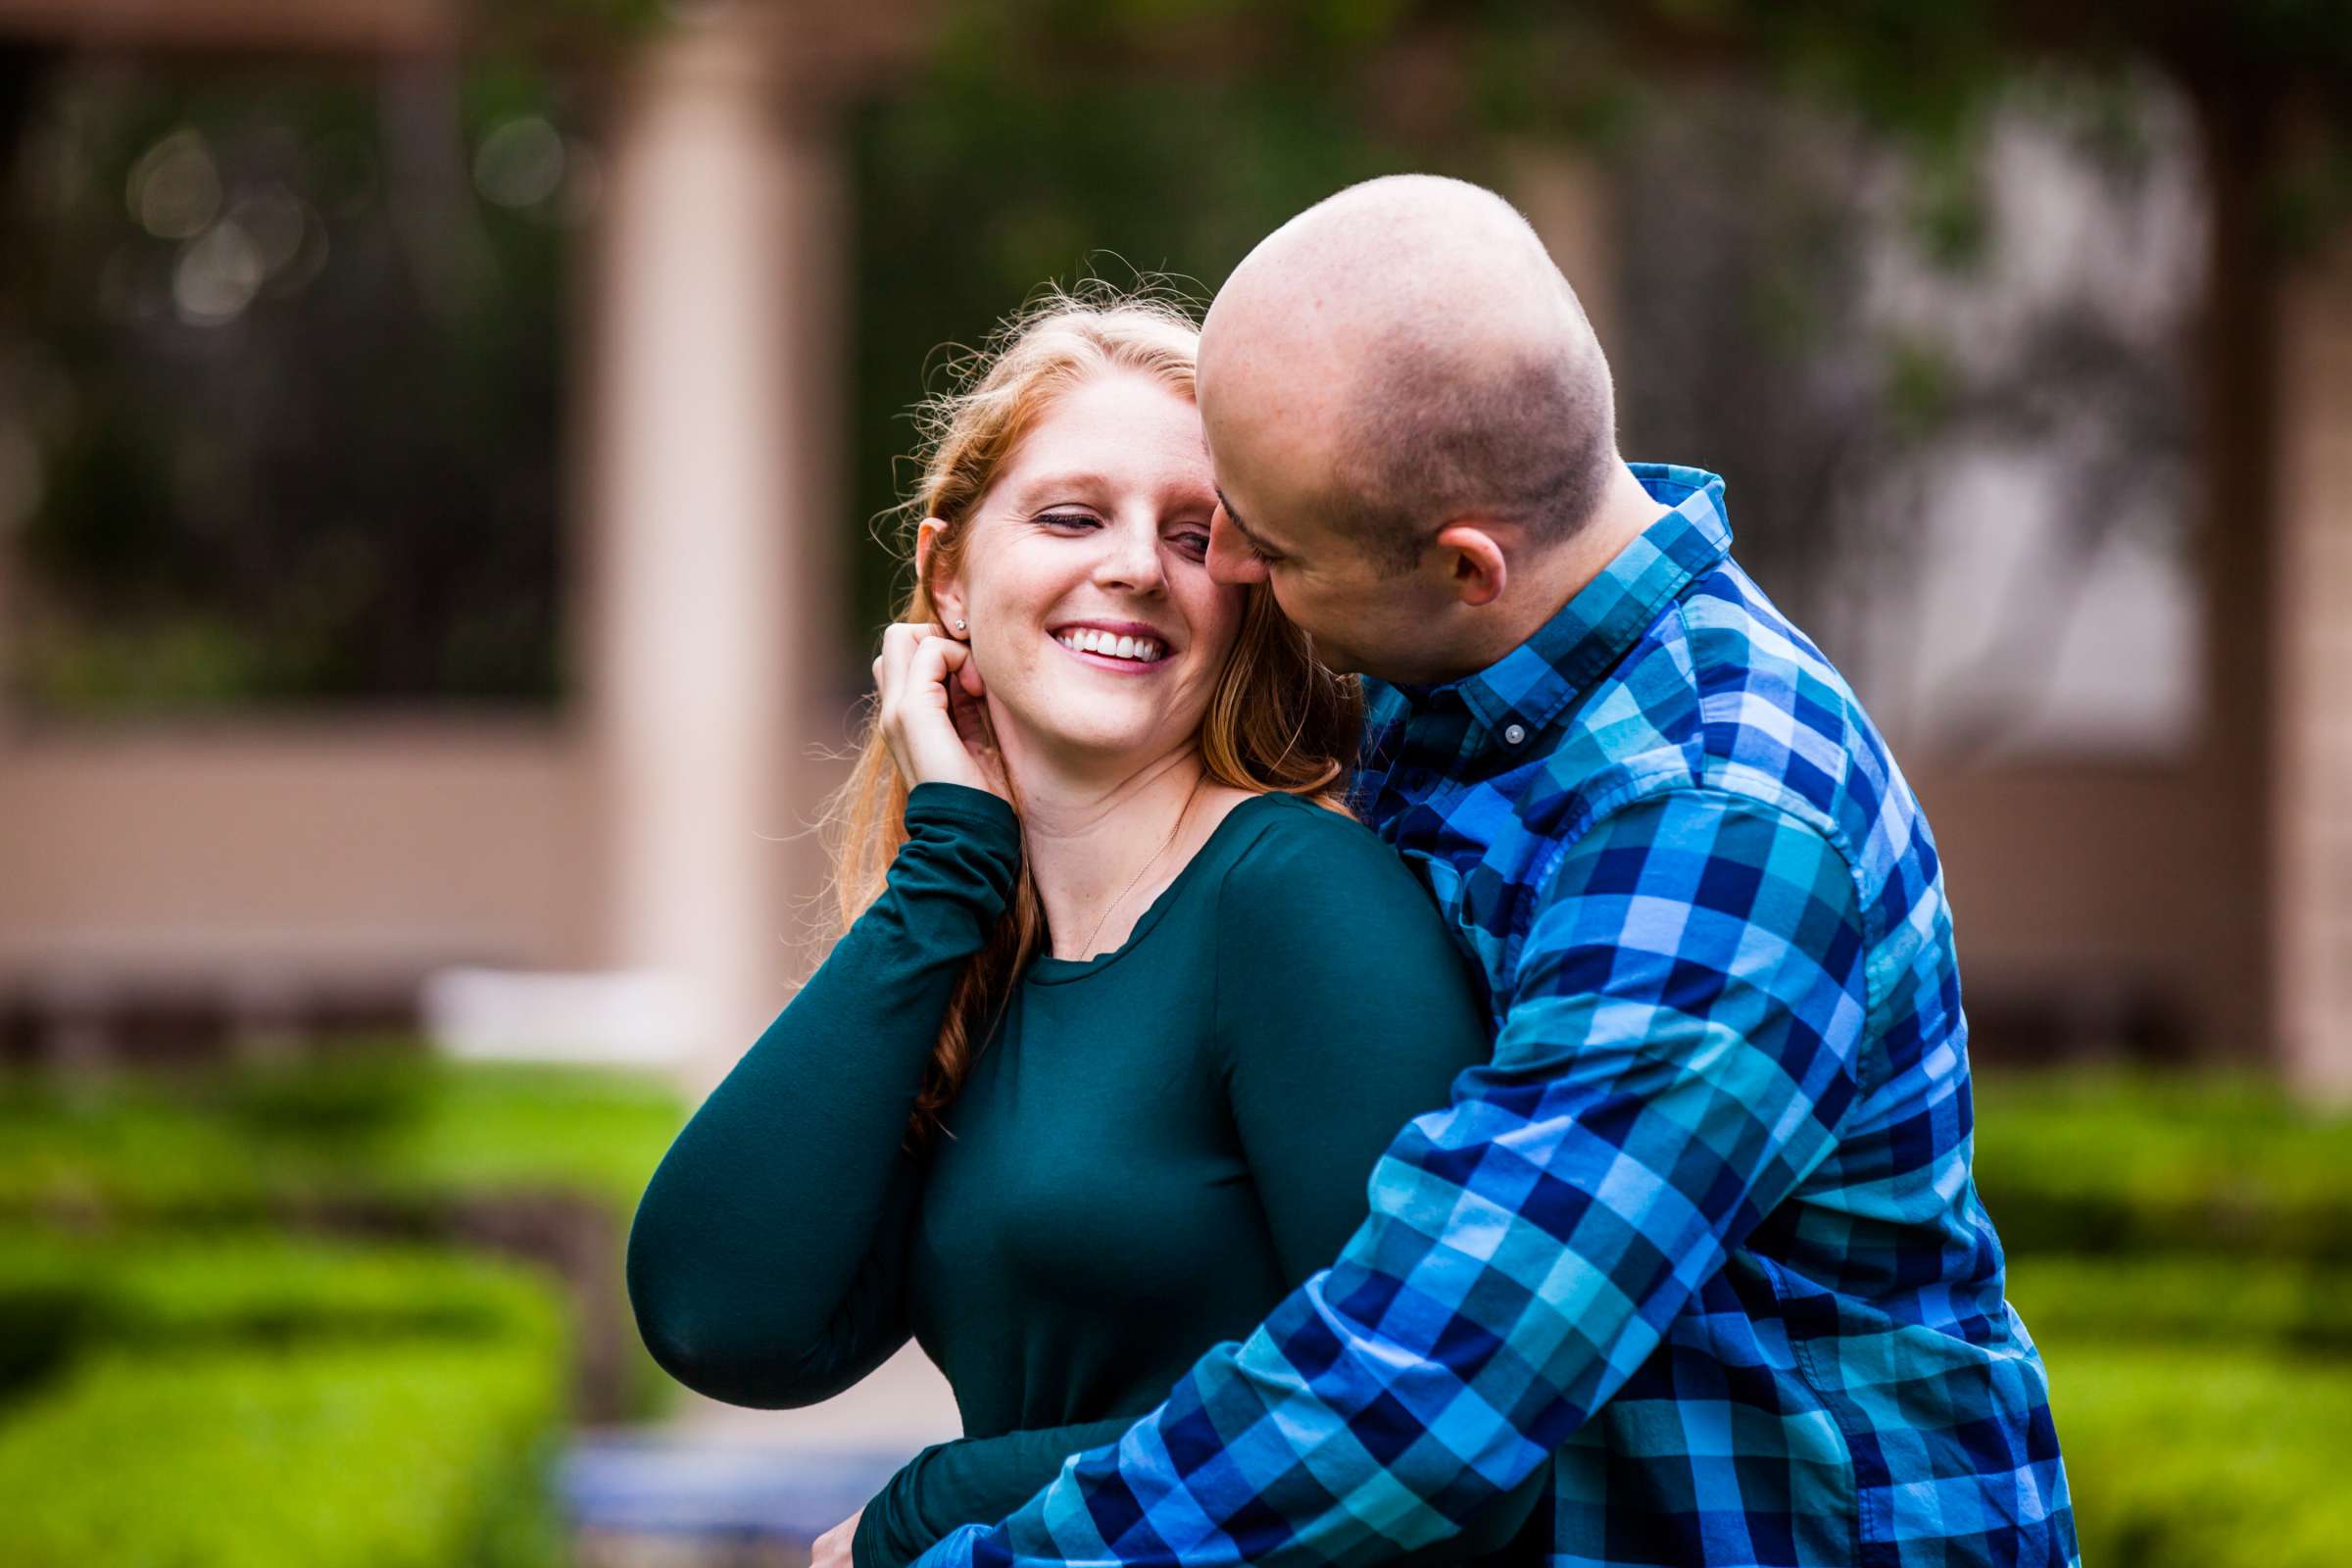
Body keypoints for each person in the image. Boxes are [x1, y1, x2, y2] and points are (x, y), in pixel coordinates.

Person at [898, 177, 2079, 1568]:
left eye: (1262, 546)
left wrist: (969, 1547)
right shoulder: (1445, 679)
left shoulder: (1716, 825)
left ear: (1466, 563)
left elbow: (1427, 1386)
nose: (1220, 567)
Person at [622, 289, 1553, 1568]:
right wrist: (948, 872)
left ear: (1248, 595)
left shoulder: (1294, 902)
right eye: (1072, 516)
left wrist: (933, 1505)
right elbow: (720, 1314)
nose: (1132, 566)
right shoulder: (985, 948)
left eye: (1193, 536)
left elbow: (1442, 1439)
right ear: (949, 576)